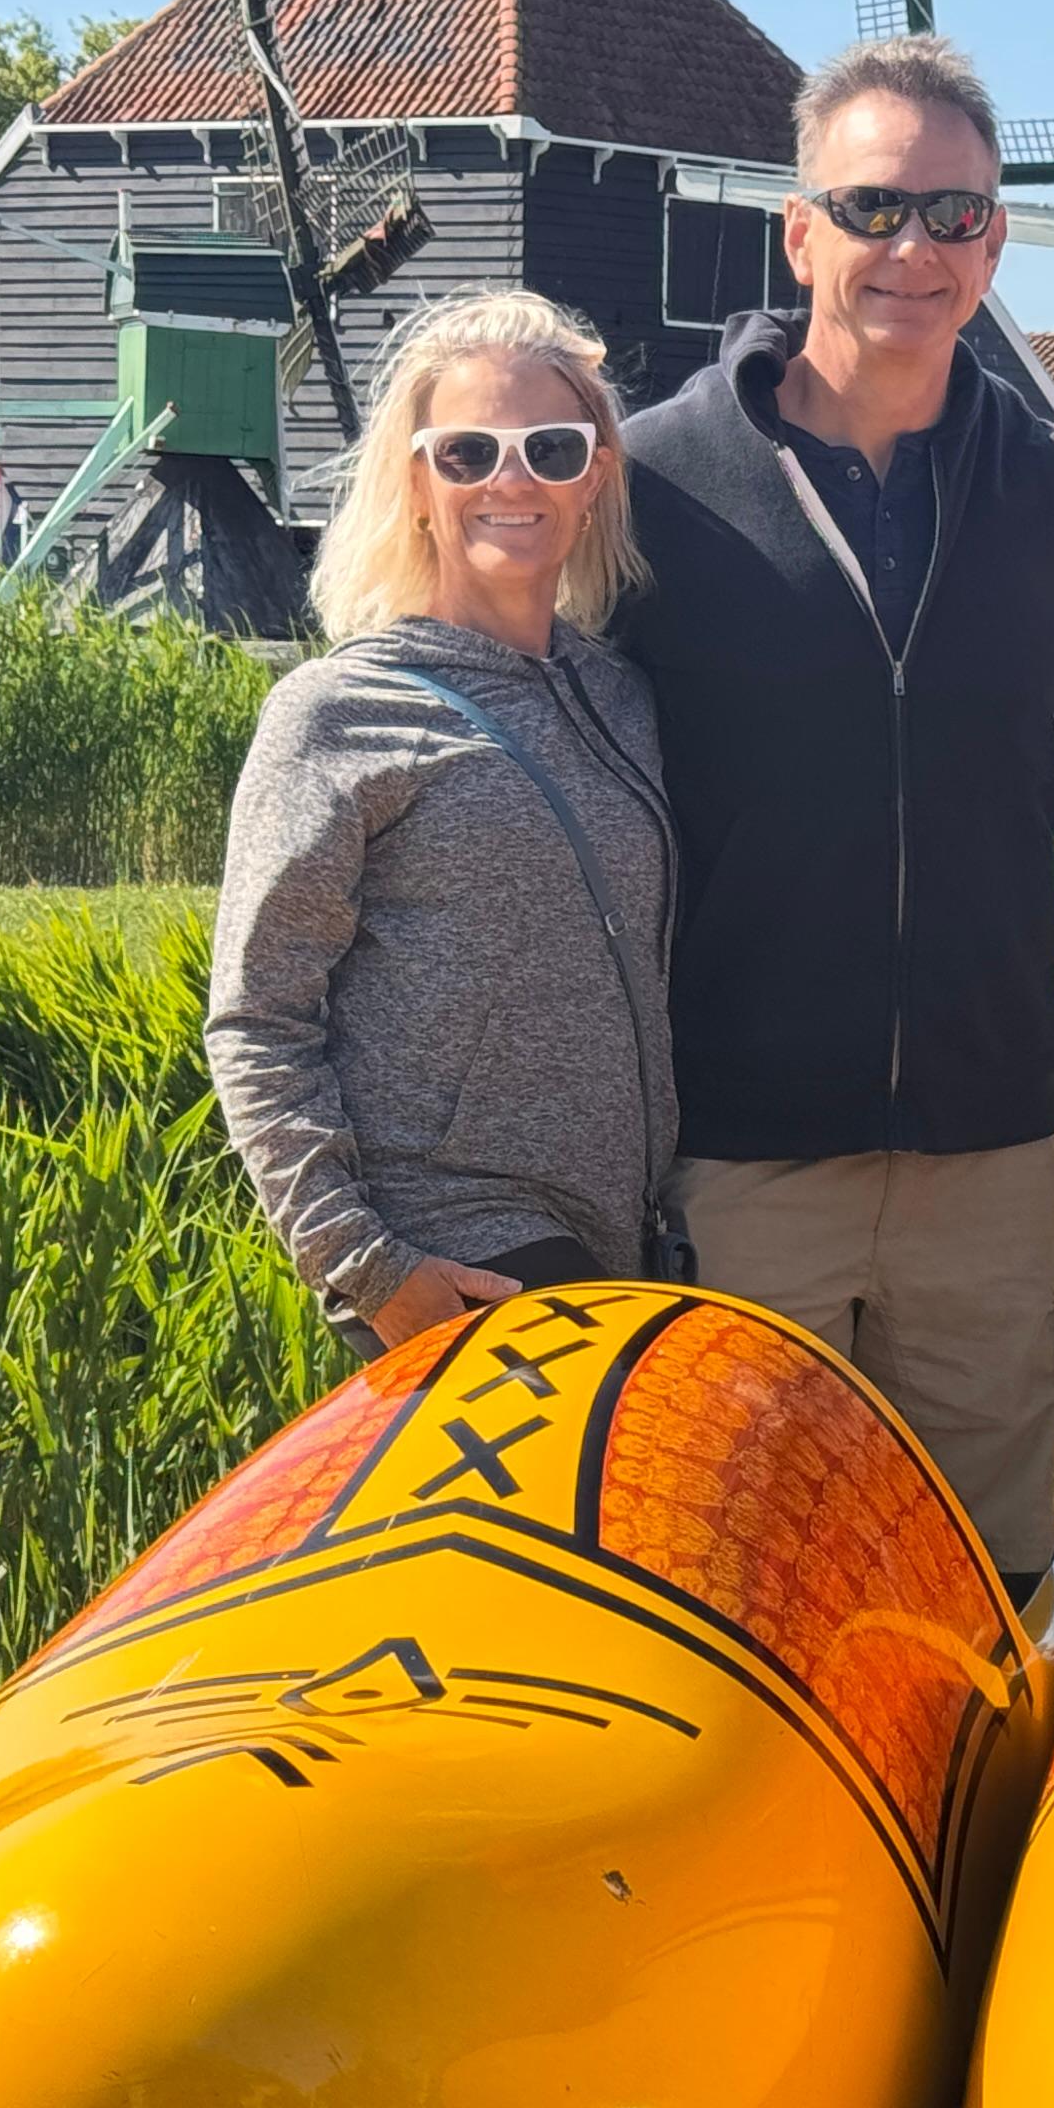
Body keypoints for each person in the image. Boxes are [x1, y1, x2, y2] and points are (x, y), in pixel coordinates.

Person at [614, 37, 1054, 1594]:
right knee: (738, 1572)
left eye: (956, 215)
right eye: (876, 207)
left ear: (998, 240)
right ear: (800, 231)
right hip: (743, 1150)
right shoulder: (656, 486)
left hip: (991, 1144)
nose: (915, 248)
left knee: (989, 1582)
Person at [208, 289, 676, 1359]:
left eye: (550, 448)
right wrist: (369, 1268)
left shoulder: (623, 701)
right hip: (463, 1263)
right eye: (467, 452)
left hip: (623, 1249)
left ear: (595, 476)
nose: (510, 478)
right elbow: (259, 1016)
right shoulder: (338, 714)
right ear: (417, 483)